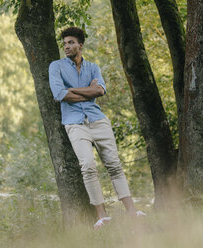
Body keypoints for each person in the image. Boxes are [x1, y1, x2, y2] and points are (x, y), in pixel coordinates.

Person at [48, 27, 145, 229]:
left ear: (80, 45)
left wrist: (72, 90)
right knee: (88, 166)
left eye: (71, 42)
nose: (66, 46)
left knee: (114, 165)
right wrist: (87, 91)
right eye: (64, 43)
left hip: (98, 120)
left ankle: (131, 211)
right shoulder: (55, 67)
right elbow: (59, 94)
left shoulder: (93, 68)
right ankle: (102, 216)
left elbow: (99, 90)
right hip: (75, 124)